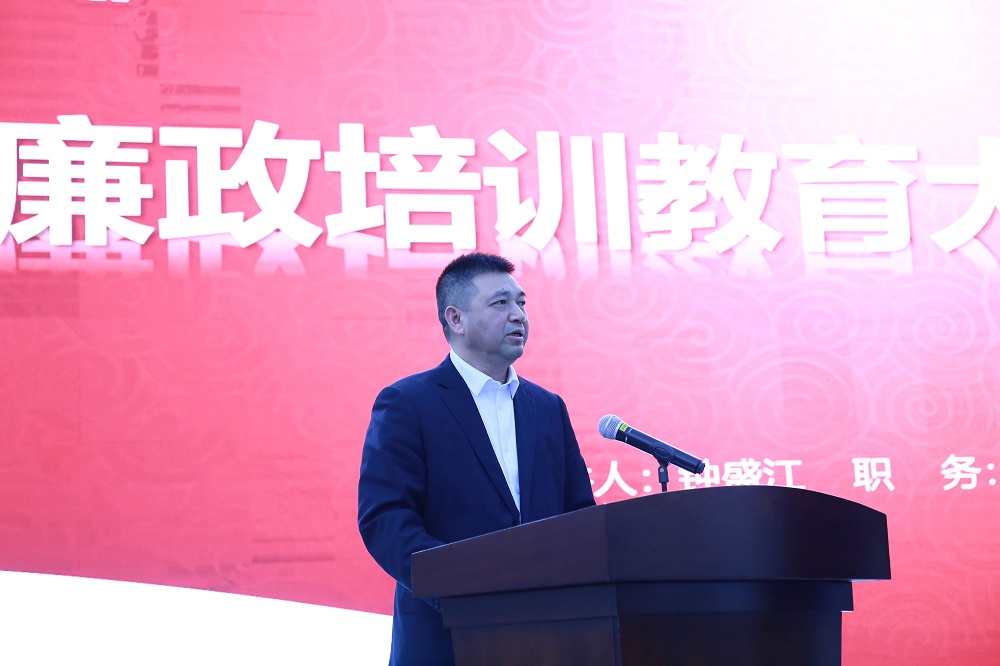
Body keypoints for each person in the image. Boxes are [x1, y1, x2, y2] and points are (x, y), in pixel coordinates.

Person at [357, 252, 596, 666]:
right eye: (500, 303)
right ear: (456, 319)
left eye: (521, 302)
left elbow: (579, 516)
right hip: (446, 636)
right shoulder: (408, 403)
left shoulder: (547, 407)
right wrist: (462, 589)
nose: (518, 315)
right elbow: (386, 517)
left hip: (548, 638)